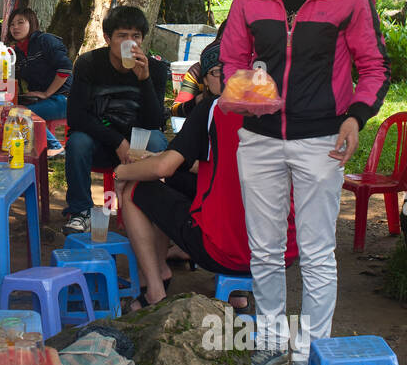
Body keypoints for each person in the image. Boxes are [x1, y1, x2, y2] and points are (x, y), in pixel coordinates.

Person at [221, 0, 390, 365]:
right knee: (265, 250)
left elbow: (375, 68)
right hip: (261, 141)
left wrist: (356, 117)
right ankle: (272, 344)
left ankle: (308, 356)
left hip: (322, 140)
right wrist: (244, 95)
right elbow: (231, 61)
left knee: (317, 254)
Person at [115, 41, 298, 309]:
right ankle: (236, 293)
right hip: (283, 253)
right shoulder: (286, 108)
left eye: (225, 69)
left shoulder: (214, 109)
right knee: (187, 184)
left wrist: (121, 171)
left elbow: (162, 168)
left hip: (226, 254)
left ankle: (155, 287)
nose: (222, 76)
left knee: (134, 189)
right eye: (215, 71)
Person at [63, 5, 169, 234]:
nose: (130, 42)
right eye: (122, 36)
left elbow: (153, 122)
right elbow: (77, 116)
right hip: (100, 141)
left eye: (136, 36)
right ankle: (80, 211)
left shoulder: (156, 69)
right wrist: (117, 141)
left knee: (158, 142)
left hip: (137, 145)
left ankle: (148, 209)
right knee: (77, 142)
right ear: (108, 38)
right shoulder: (89, 64)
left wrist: (145, 80)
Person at [6, 7, 72, 154]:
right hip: (42, 99)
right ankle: (24, 145)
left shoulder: (45, 40)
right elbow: (11, 77)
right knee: (8, 109)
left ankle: (55, 147)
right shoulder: (17, 52)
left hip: (65, 98)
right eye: (12, 24)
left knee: (19, 114)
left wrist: (47, 93)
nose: (15, 27)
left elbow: (65, 68)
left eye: (20, 22)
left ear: (32, 23)